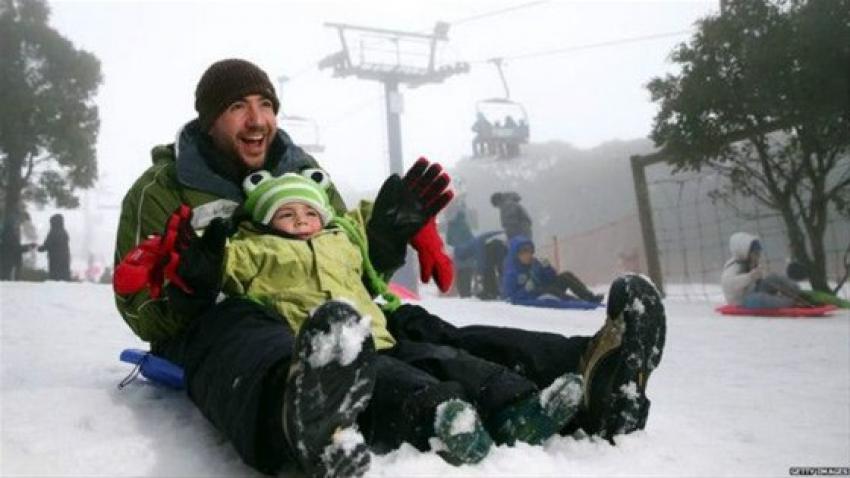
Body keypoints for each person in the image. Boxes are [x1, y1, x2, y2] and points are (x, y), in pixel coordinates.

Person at [112, 58, 453, 478]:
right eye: (238, 106)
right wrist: (190, 288)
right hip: (223, 327)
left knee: (406, 324)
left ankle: (502, 388)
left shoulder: (304, 172)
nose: (257, 120)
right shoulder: (163, 189)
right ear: (209, 120)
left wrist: (383, 241)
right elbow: (142, 311)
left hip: (316, 308)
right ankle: (298, 420)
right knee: (243, 321)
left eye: (266, 105)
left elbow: (345, 259)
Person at [194, 170, 583, 465]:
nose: (301, 220)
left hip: (381, 334)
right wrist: (207, 255)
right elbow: (217, 270)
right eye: (286, 213)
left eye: (310, 211)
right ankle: (444, 421)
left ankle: (517, 404)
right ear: (263, 220)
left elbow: (369, 259)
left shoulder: (341, 242)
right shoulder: (255, 247)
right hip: (333, 349)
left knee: (450, 359)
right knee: (403, 383)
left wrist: (396, 233)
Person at [502, 235, 603, 305]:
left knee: (565, 276)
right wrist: (526, 290)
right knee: (550, 290)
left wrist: (547, 268)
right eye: (523, 252)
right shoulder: (512, 273)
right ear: (516, 255)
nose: (527, 255)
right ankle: (576, 302)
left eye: (530, 251)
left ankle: (589, 297)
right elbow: (510, 297)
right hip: (533, 295)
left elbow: (552, 278)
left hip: (543, 289)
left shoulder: (535, 263)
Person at [720, 232, 807, 309]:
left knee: (772, 278)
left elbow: (757, 281)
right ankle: (791, 302)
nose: (758, 256)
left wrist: (761, 277)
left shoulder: (750, 262)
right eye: (755, 253)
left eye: (758, 253)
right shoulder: (733, 266)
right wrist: (750, 277)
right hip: (741, 302)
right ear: (745, 252)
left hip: (753, 291)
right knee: (760, 299)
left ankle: (796, 292)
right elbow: (728, 283)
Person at [446, 209, 475, 297]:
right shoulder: (465, 225)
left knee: (459, 271)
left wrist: (456, 243)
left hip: (457, 251)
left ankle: (461, 292)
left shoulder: (451, 226)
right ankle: (467, 292)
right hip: (467, 252)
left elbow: (448, 241)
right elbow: (471, 238)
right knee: (467, 271)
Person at [38, 213, 71, 281]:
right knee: (64, 277)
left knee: (55, 279)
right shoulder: (64, 232)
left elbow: (47, 245)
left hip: (55, 259)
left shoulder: (53, 232)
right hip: (65, 258)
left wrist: (38, 248)